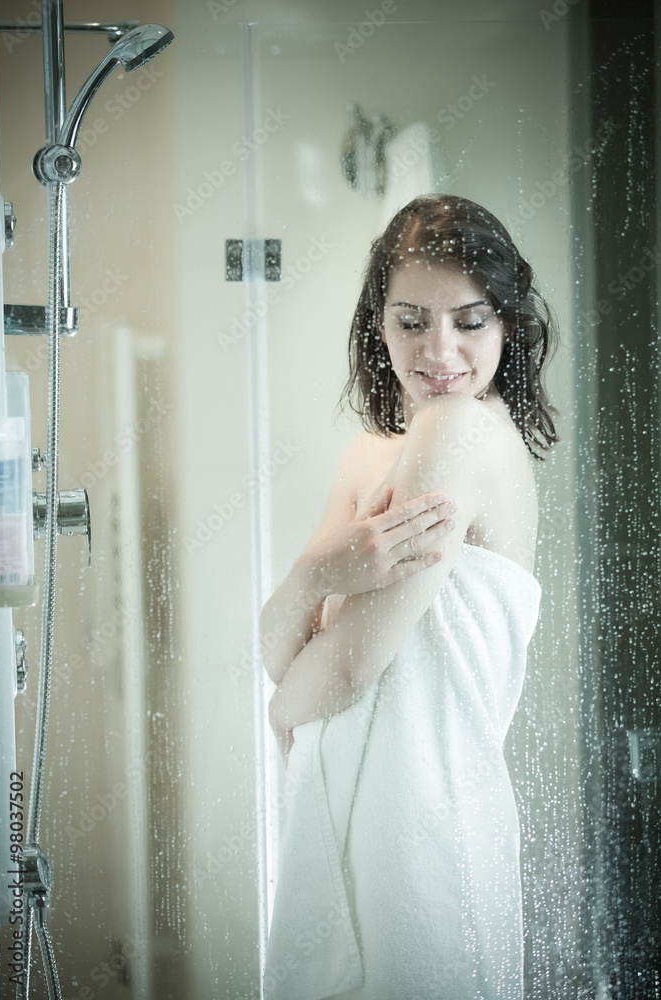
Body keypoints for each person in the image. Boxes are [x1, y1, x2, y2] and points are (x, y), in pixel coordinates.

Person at [260, 194, 559, 1000]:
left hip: (421, 831)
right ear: (377, 324)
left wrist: (284, 704)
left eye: (469, 321)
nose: (440, 352)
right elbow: (283, 650)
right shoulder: (370, 453)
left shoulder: (458, 430)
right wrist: (314, 578)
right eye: (409, 320)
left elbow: (341, 669)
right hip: (365, 818)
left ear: (507, 324)